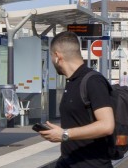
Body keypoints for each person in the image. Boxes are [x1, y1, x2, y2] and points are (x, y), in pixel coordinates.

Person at [37, 31, 119, 168]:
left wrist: (64, 134)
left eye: (51, 56)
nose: (52, 61)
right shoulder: (72, 82)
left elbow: (107, 125)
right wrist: (60, 133)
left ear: (57, 56)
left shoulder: (93, 81)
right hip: (68, 162)